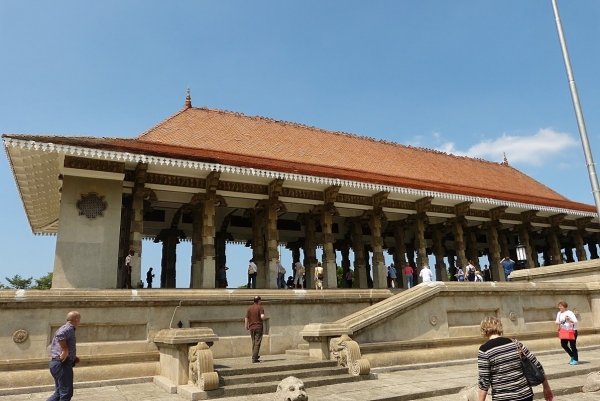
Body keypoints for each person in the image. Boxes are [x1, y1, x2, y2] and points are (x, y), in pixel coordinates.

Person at [478, 316, 554, 401]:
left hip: (503, 397)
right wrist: (546, 387)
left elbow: (484, 381)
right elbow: (537, 365)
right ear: (499, 327)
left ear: (484, 330)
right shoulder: (515, 343)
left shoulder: (484, 350)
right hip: (525, 395)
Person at [47, 311, 81, 401]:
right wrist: (65, 351)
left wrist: (73, 357)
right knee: (66, 393)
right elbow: (60, 336)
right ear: (76, 320)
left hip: (56, 363)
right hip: (62, 364)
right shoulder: (69, 328)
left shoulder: (65, 327)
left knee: (59, 393)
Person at [555, 301, 578, 365]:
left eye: (561, 306)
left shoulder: (569, 313)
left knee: (572, 346)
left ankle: (576, 359)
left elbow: (575, 321)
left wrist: (569, 320)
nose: (560, 307)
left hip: (571, 331)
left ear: (565, 307)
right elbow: (556, 322)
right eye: (559, 306)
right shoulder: (559, 313)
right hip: (564, 331)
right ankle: (572, 356)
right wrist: (560, 322)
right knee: (563, 345)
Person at [244, 296, 265, 363]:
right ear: (258, 301)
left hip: (251, 327)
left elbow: (246, 318)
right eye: (260, 301)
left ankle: (254, 355)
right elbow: (262, 317)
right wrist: (263, 317)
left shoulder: (249, 308)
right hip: (258, 327)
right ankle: (254, 357)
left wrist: (246, 326)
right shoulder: (260, 308)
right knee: (257, 342)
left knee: (254, 342)